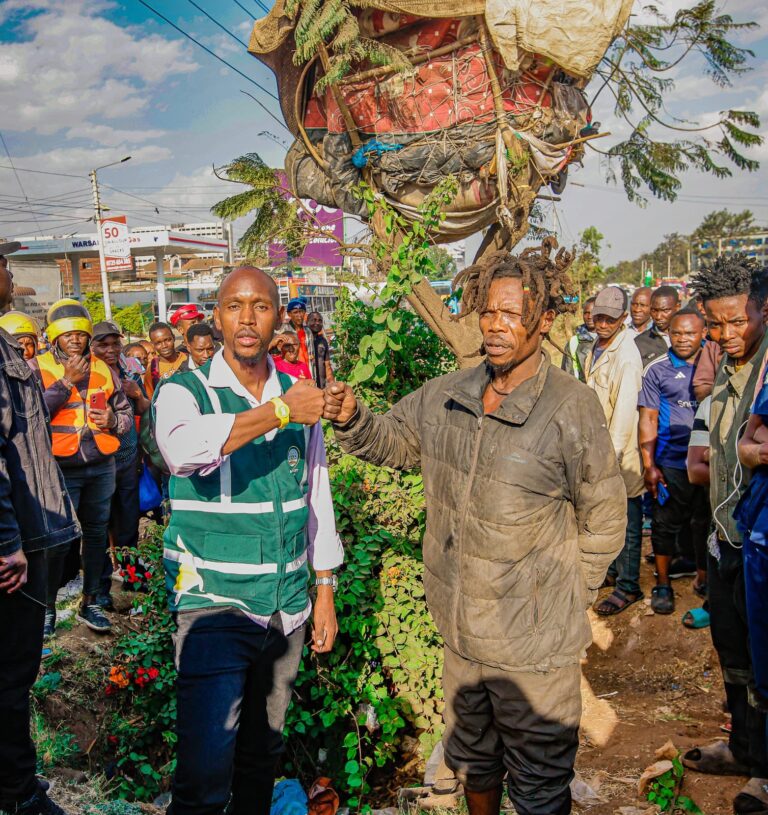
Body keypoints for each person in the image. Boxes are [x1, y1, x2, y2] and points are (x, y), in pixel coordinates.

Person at [323, 242, 627, 815]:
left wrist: (568, 596)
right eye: (489, 311)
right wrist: (352, 418)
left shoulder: (571, 407)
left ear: (543, 319)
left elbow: (606, 517)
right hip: (463, 638)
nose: (496, 325)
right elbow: (394, 441)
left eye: (512, 314)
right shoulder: (449, 395)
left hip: (535, 650)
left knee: (539, 785)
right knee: (475, 764)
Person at [154, 267, 343, 815]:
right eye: (234, 306)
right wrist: (277, 413)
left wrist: (323, 587)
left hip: (284, 609)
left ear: (278, 317)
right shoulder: (183, 390)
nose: (247, 318)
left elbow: (317, 490)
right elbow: (184, 452)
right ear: (216, 317)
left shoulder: (296, 390)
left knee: (262, 758)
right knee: (205, 772)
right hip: (214, 604)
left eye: (260, 306)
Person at [681, 255, 768, 815]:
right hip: (724, 538)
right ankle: (742, 747)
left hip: (758, 537)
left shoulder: (766, 375)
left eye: (738, 321)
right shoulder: (725, 376)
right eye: (717, 324)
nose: (726, 334)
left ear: (763, 311)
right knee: (733, 652)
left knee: (765, 661)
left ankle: (763, 770)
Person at [0, 253, 80, 815]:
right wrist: (6, 543)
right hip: (15, 545)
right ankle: (18, 793)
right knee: (10, 674)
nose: (10, 275)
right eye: (4, 263)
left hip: (34, 533)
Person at [39, 300, 133, 636]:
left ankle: (91, 600)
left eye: (80, 333)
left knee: (95, 535)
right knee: (58, 541)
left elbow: (123, 414)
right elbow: (34, 417)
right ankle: (46, 607)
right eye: (68, 334)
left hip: (101, 465)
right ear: (54, 338)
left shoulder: (104, 368)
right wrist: (66, 383)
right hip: (60, 468)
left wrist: (113, 420)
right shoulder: (41, 368)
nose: (75, 339)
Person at [638, 310, 709, 615]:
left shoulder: (717, 365)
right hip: (671, 461)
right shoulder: (658, 369)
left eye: (690, 334)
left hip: (707, 463)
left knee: (705, 523)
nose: (682, 339)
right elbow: (648, 418)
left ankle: (705, 579)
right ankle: (663, 584)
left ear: (703, 333)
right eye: (677, 333)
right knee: (665, 523)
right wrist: (649, 464)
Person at [583, 286, 645, 616]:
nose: (603, 322)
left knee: (628, 520)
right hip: (598, 447)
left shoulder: (627, 355)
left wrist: (613, 456)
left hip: (619, 455)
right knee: (607, 518)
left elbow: (625, 413)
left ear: (622, 318)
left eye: (610, 318)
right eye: (599, 317)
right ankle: (614, 572)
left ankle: (628, 586)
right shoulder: (597, 344)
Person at [90, 321, 150, 600]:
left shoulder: (130, 371)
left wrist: (136, 393)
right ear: (92, 346)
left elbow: (145, 407)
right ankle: (99, 590)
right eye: (103, 344)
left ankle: (133, 580)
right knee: (98, 526)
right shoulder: (85, 373)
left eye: (115, 343)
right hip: (96, 463)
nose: (111, 349)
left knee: (128, 522)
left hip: (127, 460)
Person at [635, 286, 681, 366]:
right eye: (654, 310)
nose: (658, 317)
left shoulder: (689, 338)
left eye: (665, 310)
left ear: (678, 307)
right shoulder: (639, 343)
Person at [145, 322, 187, 396]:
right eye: (158, 343)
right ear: (152, 345)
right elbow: (152, 400)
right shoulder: (153, 370)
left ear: (174, 338)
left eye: (167, 340)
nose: (164, 346)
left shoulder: (187, 358)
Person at [561, 296, 595, 381]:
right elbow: (567, 374)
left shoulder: (609, 339)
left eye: (593, 312)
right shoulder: (574, 342)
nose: (589, 316)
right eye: (586, 313)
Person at [286, 298, 314, 376]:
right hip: (293, 373)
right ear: (289, 314)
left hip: (309, 370)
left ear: (304, 312)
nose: (299, 316)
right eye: (295, 312)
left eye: (301, 312)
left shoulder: (308, 331)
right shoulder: (284, 332)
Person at [307, 311, 333, 389]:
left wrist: (332, 382)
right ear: (307, 322)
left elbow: (327, 364)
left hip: (321, 386)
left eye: (320, 321)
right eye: (314, 320)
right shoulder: (301, 340)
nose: (317, 323)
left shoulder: (323, 341)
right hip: (308, 386)